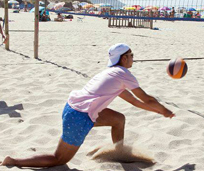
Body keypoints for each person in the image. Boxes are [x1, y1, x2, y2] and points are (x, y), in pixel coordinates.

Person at [0, 43, 175, 167]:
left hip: (73, 109)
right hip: (79, 116)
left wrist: (160, 112)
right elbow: (146, 99)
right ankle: (14, 161)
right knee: (59, 160)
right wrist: (164, 110)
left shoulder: (111, 74)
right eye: (131, 56)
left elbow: (135, 102)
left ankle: (119, 152)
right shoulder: (123, 73)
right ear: (123, 58)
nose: (133, 59)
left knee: (118, 119)